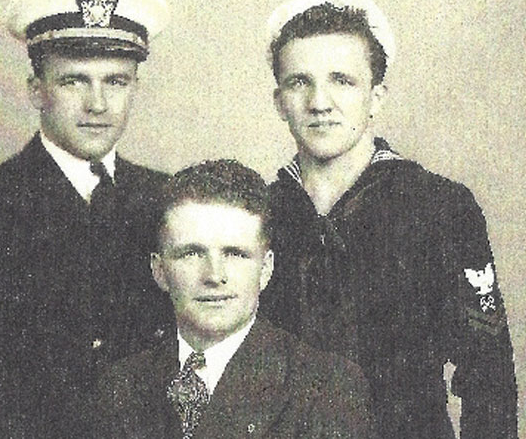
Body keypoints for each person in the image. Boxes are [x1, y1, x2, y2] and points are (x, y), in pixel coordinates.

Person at [0, 0, 174, 437]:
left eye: (116, 81)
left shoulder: (168, 200)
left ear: (136, 87)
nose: (97, 104)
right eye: (74, 81)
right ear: (37, 90)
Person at [259, 0, 518, 438]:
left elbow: (489, 378)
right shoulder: (259, 212)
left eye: (342, 80)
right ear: (279, 101)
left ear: (376, 97)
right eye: (300, 82)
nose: (320, 102)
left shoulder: (439, 207)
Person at [86, 160, 377, 438]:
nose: (214, 275)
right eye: (191, 253)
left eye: (235, 254)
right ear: (159, 270)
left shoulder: (327, 388)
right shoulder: (118, 387)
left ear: (266, 269)